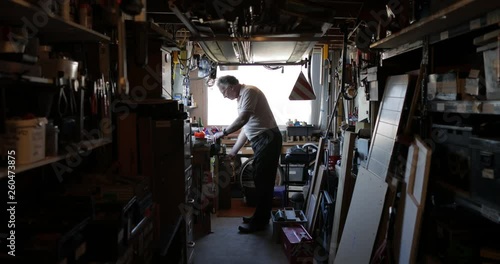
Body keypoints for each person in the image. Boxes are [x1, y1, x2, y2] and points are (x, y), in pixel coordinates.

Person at [213, 75, 282, 234]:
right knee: (260, 178)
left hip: (267, 138)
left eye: (223, 91)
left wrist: (223, 133)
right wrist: (233, 151)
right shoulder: (241, 98)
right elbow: (246, 128)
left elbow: (243, 120)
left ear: (231, 86)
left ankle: (260, 222)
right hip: (262, 139)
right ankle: (260, 217)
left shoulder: (249, 92)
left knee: (263, 179)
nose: (224, 96)